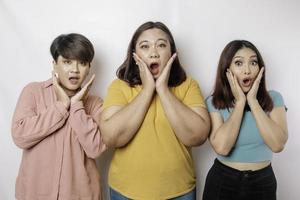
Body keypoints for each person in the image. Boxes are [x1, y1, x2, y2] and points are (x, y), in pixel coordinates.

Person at [100, 21, 211, 200]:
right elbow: (111, 137)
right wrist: (147, 90)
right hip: (126, 192)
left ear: (172, 53)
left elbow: (198, 136)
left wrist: (163, 90)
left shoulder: (188, 85)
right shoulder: (119, 87)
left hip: (179, 191)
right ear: (135, 55)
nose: (153, 52)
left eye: (161, 45)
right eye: (145, 46)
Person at [11, 33, 106, 200]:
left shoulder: (95, 103)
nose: (75, 70)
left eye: (82, 63)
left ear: (89, 68)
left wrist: (77, 105)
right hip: (34, 194)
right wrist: (61, 106)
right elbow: (20, 136)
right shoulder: (33, 92)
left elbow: (96, 148)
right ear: (54, 64)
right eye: (67, 62)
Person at [202, 40, 288, 200]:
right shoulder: (214, 102)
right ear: (227, 69)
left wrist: (253, 102)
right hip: (223, 180)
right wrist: (240, 103)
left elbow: (278, 145)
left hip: (262, 182)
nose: (247, 70)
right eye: (239, 63)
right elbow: (222, 148)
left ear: (260, 68)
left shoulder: (274, 98)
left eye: (253, 62)